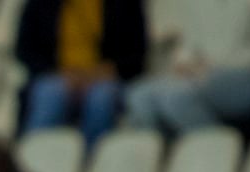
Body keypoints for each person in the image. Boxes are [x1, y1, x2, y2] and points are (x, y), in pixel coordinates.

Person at [125, 0, 250, 135]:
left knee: (177, 99)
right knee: (139, 95)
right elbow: (189, 45)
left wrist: (216, 64)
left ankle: (221, 149)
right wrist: (184, 62)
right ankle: (169, 159)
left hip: (248, 75)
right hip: (202, 74)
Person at [15, 0, 149, 148]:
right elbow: (25, 50)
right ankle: (32, 156)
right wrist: (60, 74)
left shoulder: (125, 4)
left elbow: (137, 55)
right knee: (50, 94)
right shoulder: (41, 4)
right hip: (57, 76)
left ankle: (93, 161)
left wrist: (107, 70)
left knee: (101, 98)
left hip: (105, 78)